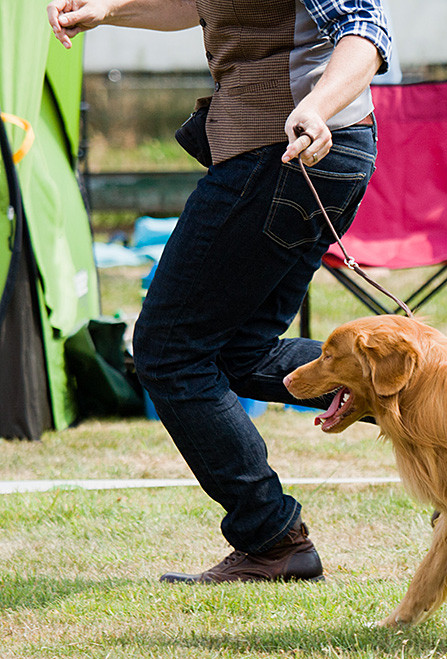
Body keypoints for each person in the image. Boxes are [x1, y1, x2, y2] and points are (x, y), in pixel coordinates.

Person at [46, 0, 391, 582]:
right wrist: (108, 11)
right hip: (295, 156)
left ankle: (271, 535)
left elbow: (366, 33)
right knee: (241, 353)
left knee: (168, 349)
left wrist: (316, 105)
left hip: (288, 153)